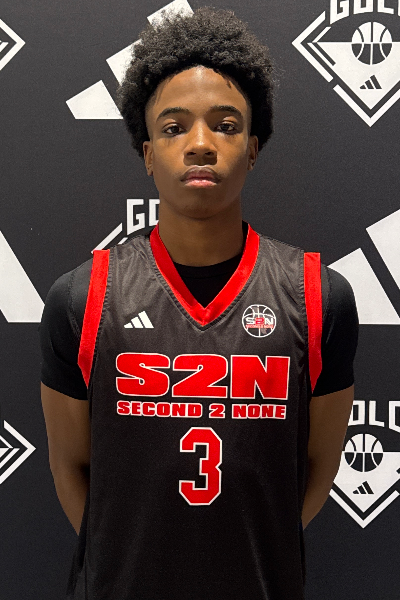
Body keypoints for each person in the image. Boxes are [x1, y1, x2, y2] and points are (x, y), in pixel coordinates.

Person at [39, 6, 359, 599]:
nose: (201, 145)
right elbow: (70, 467)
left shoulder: (319, 296)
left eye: (226, 125)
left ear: (254, 148)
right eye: (173, 127)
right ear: (146, 153)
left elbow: (315, 469)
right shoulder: (82, 298)